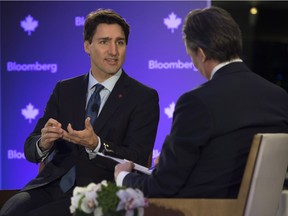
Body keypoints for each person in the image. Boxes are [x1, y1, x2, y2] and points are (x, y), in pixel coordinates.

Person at [114, 6, 288, 198]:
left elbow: (162, 187)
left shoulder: (196, 102)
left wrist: (123, 177)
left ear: (202, 53)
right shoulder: (279, 97)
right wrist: (169, 165)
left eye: (191, 57)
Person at [0, 8, 159, 216]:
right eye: (104, 42)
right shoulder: (65, 89)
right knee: (10, 211)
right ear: (87, 46)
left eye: (120, 42)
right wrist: (43, 143)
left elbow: (138, 158)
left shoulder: (143, 97)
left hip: (99, 193)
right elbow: (30, 148)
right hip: (51, 185)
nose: (113, 51)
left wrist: (97, 145)